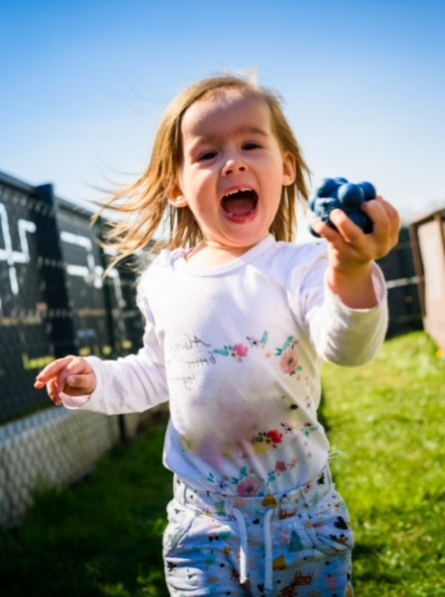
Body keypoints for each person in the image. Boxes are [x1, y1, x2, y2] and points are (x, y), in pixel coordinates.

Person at [34, 72, 400, 597]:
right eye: (207, 154)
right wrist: (96, 381)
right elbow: (159, 372)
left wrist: (350, 270)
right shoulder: (164, 280)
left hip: (304, 518)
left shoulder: (302, 267)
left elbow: (349, 347)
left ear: (287, 168)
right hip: (202, 523)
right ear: (177, 188)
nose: (233, 161)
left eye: (252, 144)